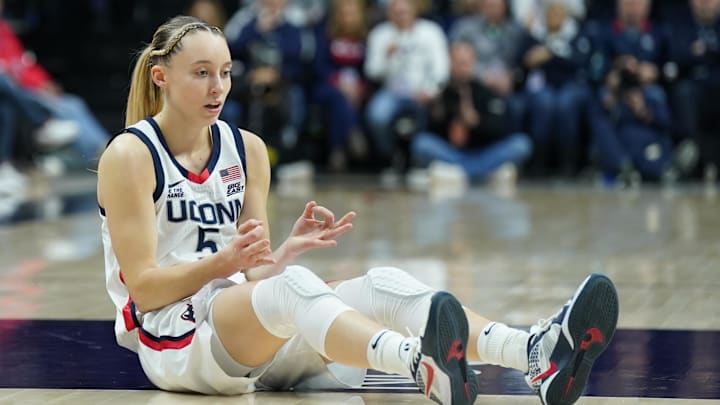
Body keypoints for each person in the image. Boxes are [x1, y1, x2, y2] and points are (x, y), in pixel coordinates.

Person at [97, 15, 620, 405]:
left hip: (242, 327)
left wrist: (279, 252)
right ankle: (418, 364)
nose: (218, 88)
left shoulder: (247, 149)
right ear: (161, 76)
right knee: (296, 286)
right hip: (174, 338)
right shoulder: (129, 155)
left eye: (227, 73)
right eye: (202, 73)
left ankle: (533, 353)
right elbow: (144, 288)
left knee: (381, 283)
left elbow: (254, 273)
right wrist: (228, 265)